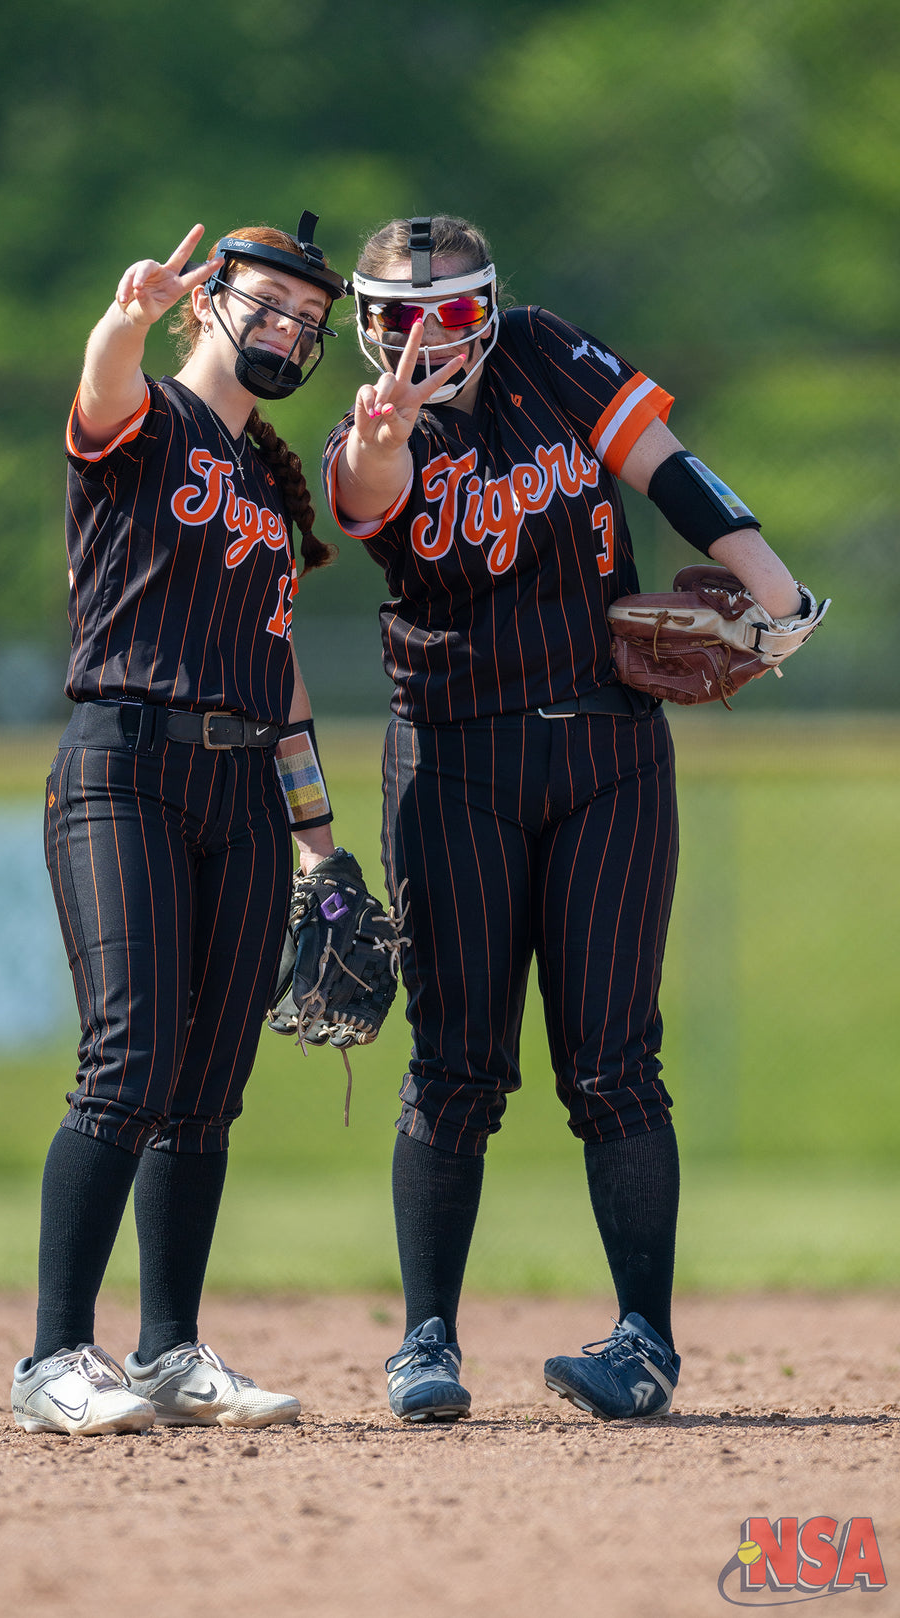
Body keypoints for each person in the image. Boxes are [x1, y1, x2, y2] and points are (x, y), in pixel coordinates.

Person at [322, 214, 823, 1423]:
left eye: (450, 311)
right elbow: (365, 494)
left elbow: (667, 464)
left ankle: (644, 1342)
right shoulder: (371, 431)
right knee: (454, 1064)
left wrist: (776, 590)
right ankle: (427, 1341)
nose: (425, 339)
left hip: (606, 750)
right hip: (454, 761)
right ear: (365, 325)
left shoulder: (546, 349)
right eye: (397, 317)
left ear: (490, 305)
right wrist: (383, 438)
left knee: (613, 1062)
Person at [11, 214, 350, 1436]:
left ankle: (168, 1352)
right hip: (124, 767)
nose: (286, 331)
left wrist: (320, 844)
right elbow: (100, 383)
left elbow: (280, 669)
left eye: (307, 322)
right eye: (266, 304)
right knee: (131, 1059)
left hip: (244, 786)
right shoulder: (145, 416)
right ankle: (54, 1357)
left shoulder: (267, 481)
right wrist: (125, 318)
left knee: (207, 1084)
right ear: (208, 301)